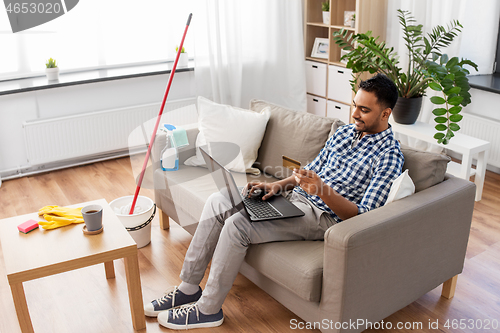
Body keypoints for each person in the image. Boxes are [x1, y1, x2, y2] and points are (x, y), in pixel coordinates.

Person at [144, 73, 405, 330]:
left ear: (385, 113)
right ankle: (189, 288)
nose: (355, 115)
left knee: (238, 225)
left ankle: (208, 310)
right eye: (354, 106)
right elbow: (307, 171)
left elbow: (363, 216)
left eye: (364, 110)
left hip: (323, 217)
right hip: (294, 198)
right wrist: (275, 186)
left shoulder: (389, 155)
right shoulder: (343, 134)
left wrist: (322, 191)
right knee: (218, 200)